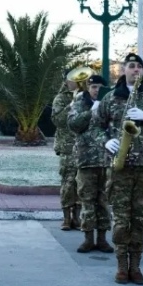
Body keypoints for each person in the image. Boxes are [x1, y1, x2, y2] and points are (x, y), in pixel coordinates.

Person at [94, 53, 143, 285]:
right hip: (120, 165)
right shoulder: (110, 98)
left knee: (139, 218)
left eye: (139, 67)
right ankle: (121, 265)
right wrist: (105, 141)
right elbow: (96, 126)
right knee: (120, 217)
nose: (135, 70)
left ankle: (135, 265)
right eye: (131, 66)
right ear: (123, 70)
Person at [67, 74, 114, 253]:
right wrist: (91, 111)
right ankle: (88, 238)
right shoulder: (80, 103)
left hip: (106, 159)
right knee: (86, 199)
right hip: (86, 158)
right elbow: (73, 124)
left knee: (103, 200)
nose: (96, 91)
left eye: (100, 88)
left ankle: (102, 238)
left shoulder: (110, 104)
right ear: (88, 88)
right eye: (94, 87)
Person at [50, 73, 81, 230]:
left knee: (81, 183)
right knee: (68, 183)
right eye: (72, 78)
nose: (76, 81)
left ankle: (77, 217)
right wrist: (72, 104)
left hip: (84, 146)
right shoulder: (61, 98)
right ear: (66, 81)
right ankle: (66, 217)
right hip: (67, 147)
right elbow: (58, 121)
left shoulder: (87, 96)